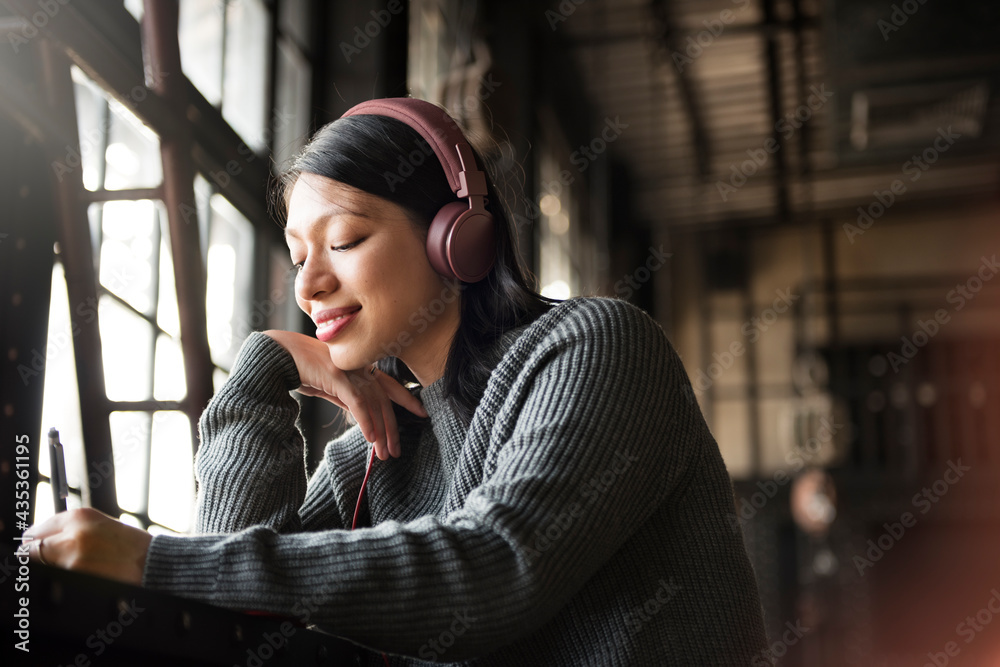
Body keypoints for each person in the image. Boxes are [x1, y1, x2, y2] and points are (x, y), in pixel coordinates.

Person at [25, 98, 769, 665]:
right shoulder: (372, 456)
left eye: (344, 240)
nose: (310, 283)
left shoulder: (596, 348)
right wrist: (264, 371)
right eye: (296, 254)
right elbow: (231, 605)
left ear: (456, 237)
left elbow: (495, 569)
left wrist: (152, 560)